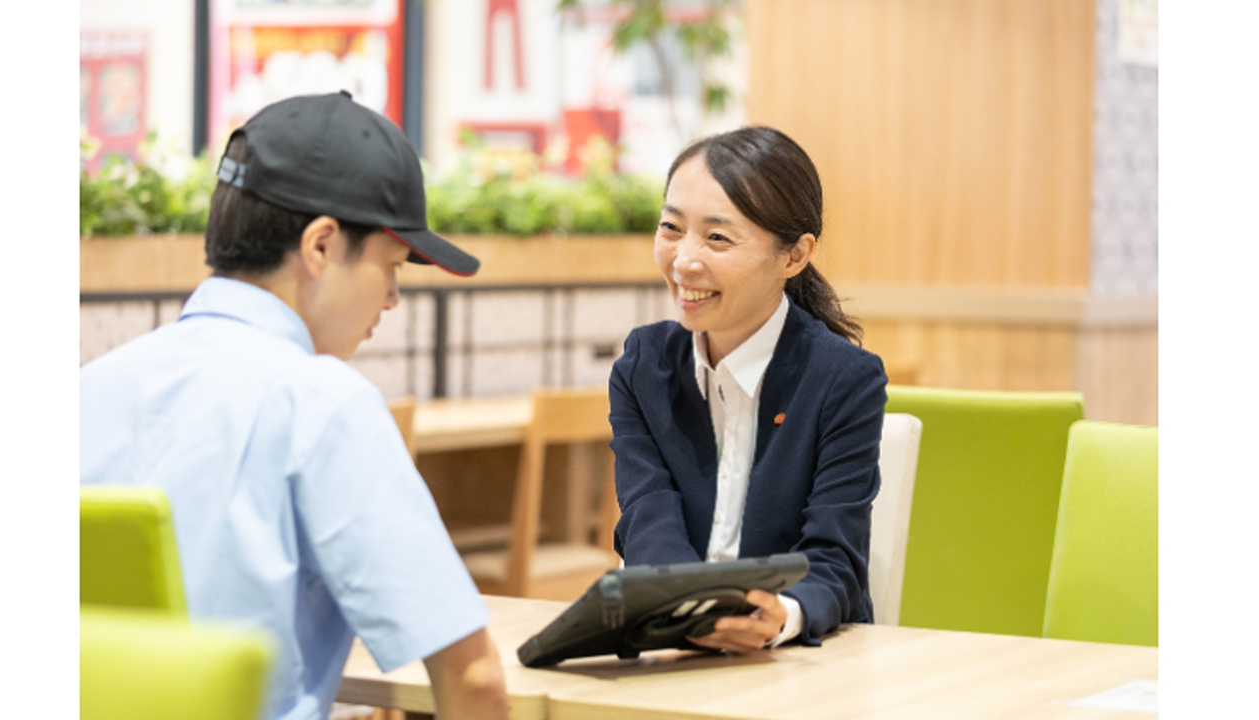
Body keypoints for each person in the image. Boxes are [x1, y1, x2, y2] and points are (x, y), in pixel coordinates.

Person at [80, 92, 508, 720]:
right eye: (389, 266)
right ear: (321, 246)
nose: (391, 299)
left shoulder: (88, 389)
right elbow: (471, 677)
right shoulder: (322, 404)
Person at [608, 126, 887, 652]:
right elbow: (648, 519)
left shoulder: (844, 379)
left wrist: (782, 615)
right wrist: (694, 614)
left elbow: (836, 556)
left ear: (794, 256)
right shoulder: (643, 366)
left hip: (801, 664)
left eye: (717, 238)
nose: (684, 260)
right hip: (674, 648)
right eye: (671, 228)